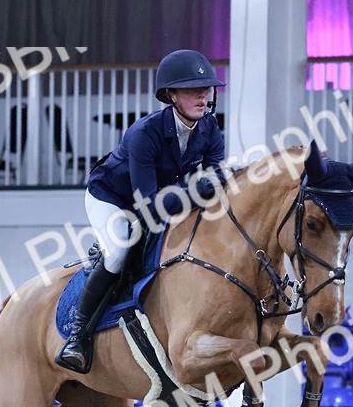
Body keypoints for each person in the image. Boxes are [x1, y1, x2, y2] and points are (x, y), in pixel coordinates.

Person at [55, 49, 226, 372]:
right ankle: (78, 337)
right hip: (113, 198)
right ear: (172, 95)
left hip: (162, 197)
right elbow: (149, 204)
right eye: (193, 90)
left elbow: (215, 177)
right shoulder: (144, 133)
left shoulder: (210, 129)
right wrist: (194, 191)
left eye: (206, 90)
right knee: (119, 251)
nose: (203, 96)